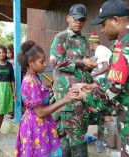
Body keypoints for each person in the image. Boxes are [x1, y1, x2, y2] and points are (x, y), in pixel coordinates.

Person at [76, 0, 129, 156]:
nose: (102, 30)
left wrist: (87, 97)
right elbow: (127, 77)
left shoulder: (124, 46)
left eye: (103, 25)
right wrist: (95, 85)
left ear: (116, 20)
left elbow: (113, 87)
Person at [15, 40, 78, 157]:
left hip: (39, 124)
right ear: (30, 62)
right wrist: (65, 99)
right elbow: (40, 112)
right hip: (35, 126)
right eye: (42, 61)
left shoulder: (34, 78)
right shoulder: (31, 82)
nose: (45, 64)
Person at [50, 4, 97, 156]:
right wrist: (80, 62)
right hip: (67, 96)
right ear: (68, 18)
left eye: (82, 20)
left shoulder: (83, 40)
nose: (79, 23)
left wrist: (89, 67)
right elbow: (54, 62)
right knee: (68, 133)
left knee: (80, 130)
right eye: (76, 19)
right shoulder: (62, 38)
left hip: (81, 95)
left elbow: (82, 67)